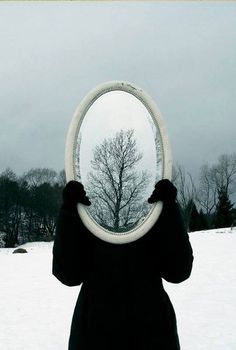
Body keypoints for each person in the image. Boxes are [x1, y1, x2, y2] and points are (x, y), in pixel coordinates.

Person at [52, 179, 193, 350]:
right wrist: (69, 213)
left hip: (153, 335)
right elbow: (68, 274)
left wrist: (169, 210)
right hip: (94, 335)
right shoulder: (87, 219)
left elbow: (179, 270)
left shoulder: (152, 217)